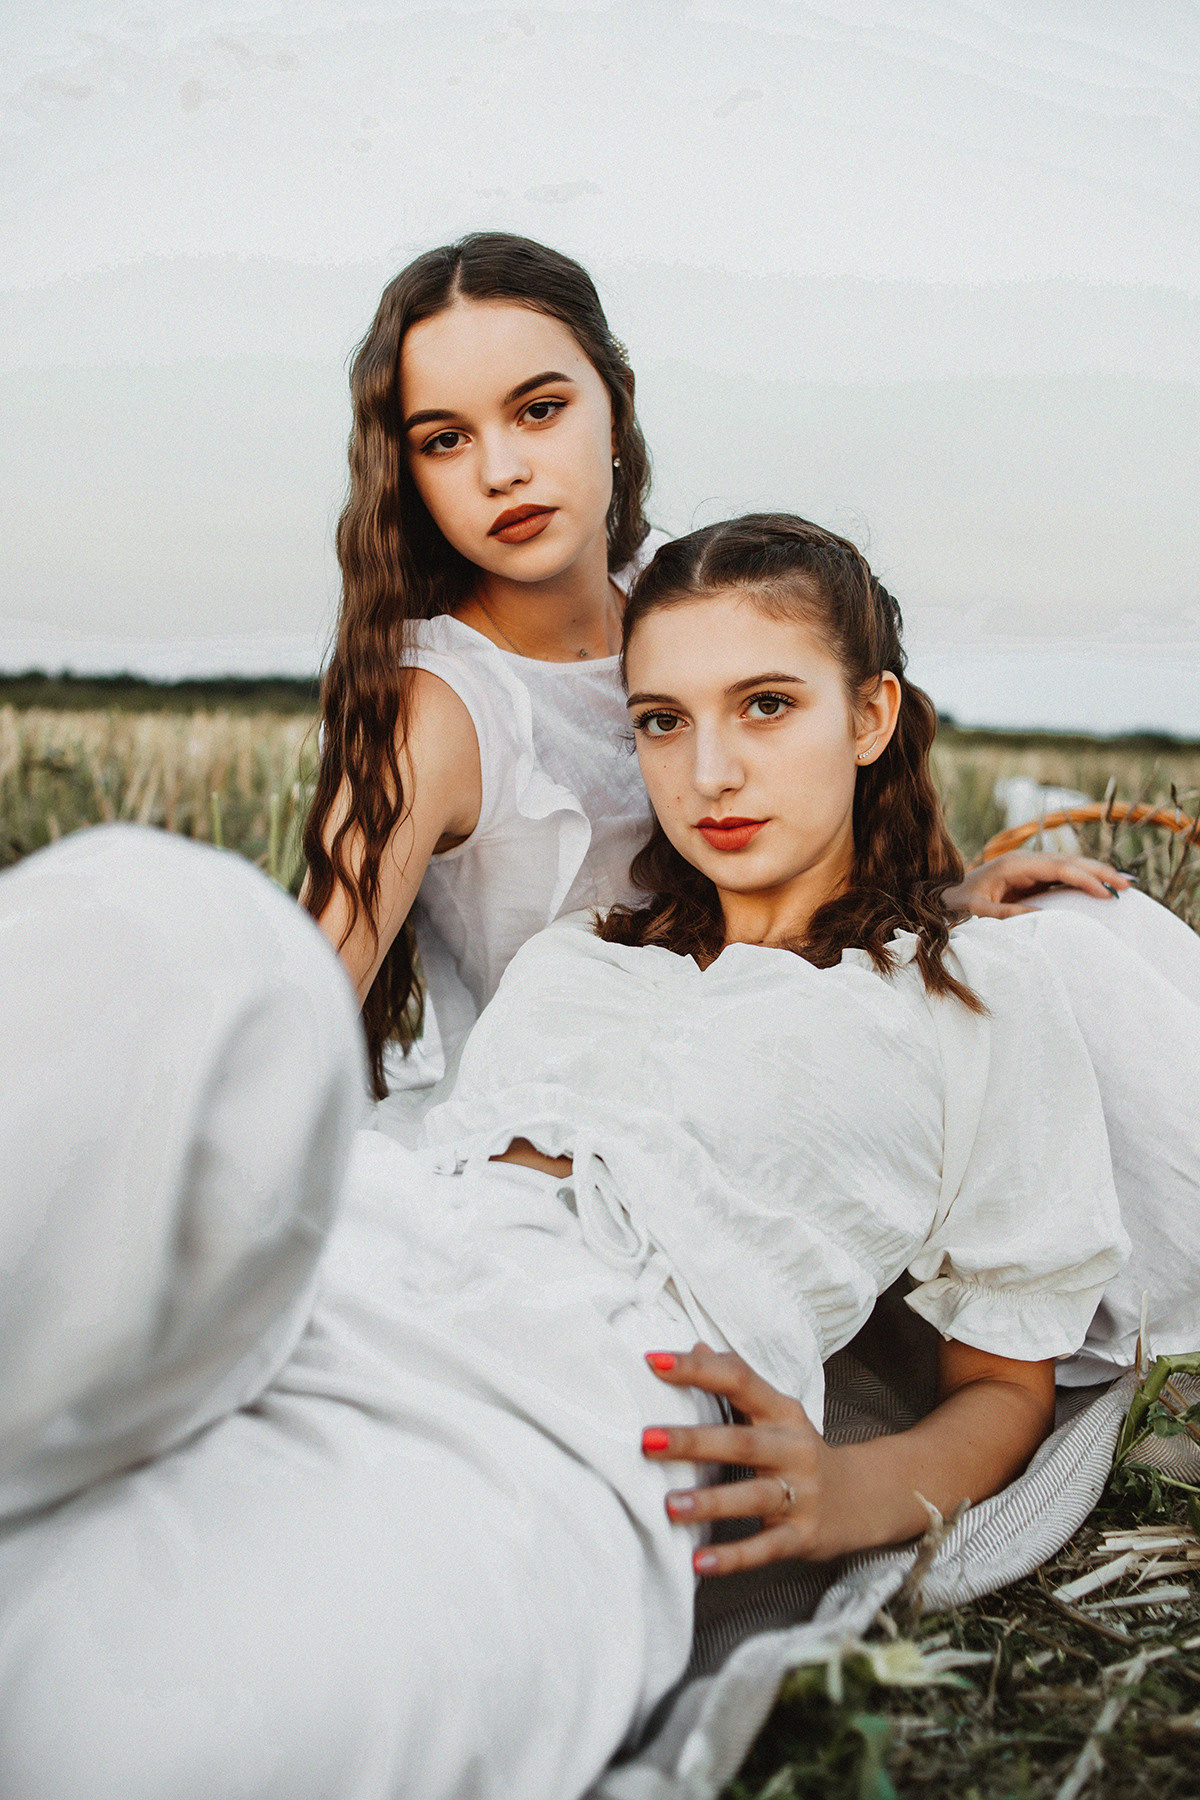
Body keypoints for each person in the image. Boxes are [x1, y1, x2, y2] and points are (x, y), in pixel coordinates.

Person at [0, 516, 1134, 1800]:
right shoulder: (586, 942)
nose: (710, 772)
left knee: (110, 1721)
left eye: (766, 706)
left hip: (582, 1398)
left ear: (870, 715)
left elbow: (1005, 1381)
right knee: (169, 915)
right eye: (661, 721)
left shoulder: (972, 994)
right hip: (359, 1263)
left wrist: (850, 1492)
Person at [301, 231, 1125, 1116]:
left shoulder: (681, 597)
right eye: (445, 439)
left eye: (539, 410)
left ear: (615, 406)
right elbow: (301, 1008)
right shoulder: (438, 707)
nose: (502, 472)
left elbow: (796, 841)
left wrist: (939, 900)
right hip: (563, 1127)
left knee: (1086, 965)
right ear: (407, 471)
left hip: (786, 1069)